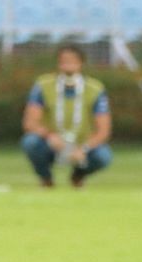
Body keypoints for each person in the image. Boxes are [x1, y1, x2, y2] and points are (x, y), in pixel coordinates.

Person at [21, 44, 113, 188]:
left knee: (103, 156)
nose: (68, 64)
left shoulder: (95, 88)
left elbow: (103, 130)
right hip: (53, 143)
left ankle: (78, 176)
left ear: (81, 62)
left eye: (72, 60)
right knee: (30, 142)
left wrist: (84, 148)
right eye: (64, 60)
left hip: (81, 143)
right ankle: (46, 179)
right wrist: (50, 136)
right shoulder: (44, 84)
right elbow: (30, 122)